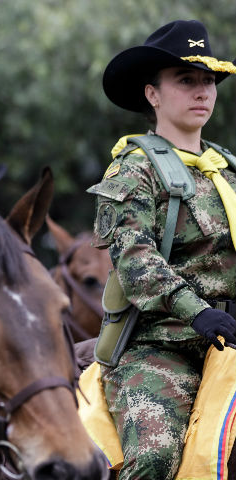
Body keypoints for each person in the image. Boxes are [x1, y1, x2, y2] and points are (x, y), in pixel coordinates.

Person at [88, 20, 236, 478]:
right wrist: (198, 311)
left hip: (232, 339)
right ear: (152, 94)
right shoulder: (133, 171)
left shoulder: (228, 172)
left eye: (208, 81)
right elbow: (135, 262)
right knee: (154, 458)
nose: (202, 92)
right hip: (161, 347)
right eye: (186, 80)